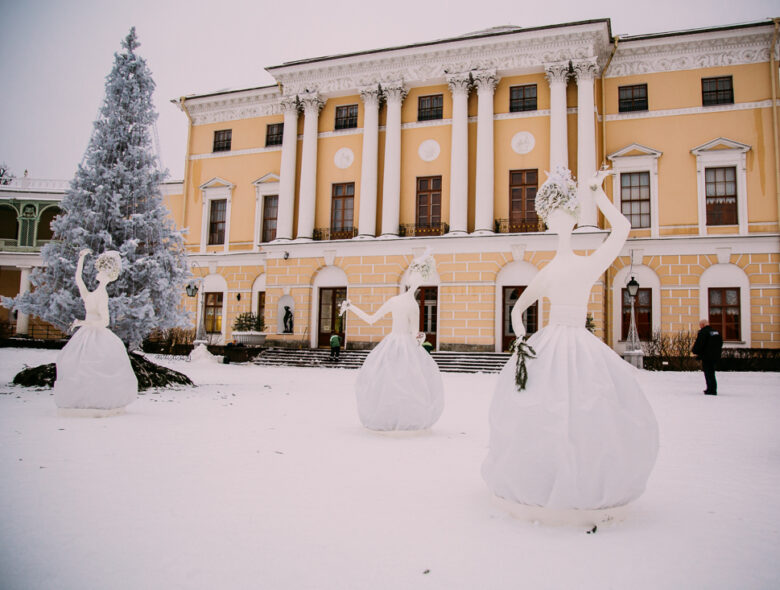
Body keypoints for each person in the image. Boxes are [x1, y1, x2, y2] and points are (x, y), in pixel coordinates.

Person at [482, 167, 659, 510]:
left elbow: (622, 229)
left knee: (587, 410)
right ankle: (545, 475)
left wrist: (598, 194)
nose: (561, 221)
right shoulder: (548, 272)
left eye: (566, 214)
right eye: (554, 216)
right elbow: (518, 310)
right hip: (549, 346)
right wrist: (521, 339)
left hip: (579, 343)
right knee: (547, 413)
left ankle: (585, 477)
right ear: (549, 223)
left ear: (575, 220)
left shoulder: (587, 264)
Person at [340, 252, 444, 431]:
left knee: (387, 379)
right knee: (408, 381)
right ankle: (403, 415)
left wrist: (352, 307)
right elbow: (415, 334)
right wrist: (422, 339)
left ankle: (388, 414)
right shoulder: (413, 305)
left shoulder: (394, 300)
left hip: (391, 344)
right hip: (407, 346)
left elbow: (371, 319)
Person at [53, 249, 138, 414]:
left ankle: (98, 400)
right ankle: (81, 399)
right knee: (76, 364)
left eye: (102, 272)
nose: (98, 274)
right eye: (100, 271)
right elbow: (78, 279)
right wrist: (81, 258)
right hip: (85, 334)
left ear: (107, 277)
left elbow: (105, 321)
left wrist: (82, 322)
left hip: (95, 334)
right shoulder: (92, 294)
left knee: (95, 366)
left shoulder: (102, 295)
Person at [692, 319, 723, 395]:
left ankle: (711, 390)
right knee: (711, 372)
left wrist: (694, 350)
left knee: (708, 372)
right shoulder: (716, 332)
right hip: (715, 356)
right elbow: (720, 343)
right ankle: (712, 388)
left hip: (707, 356)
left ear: (702, 325)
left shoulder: (703, 332)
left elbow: (699, 343)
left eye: (700, 325)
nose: (700, 327)